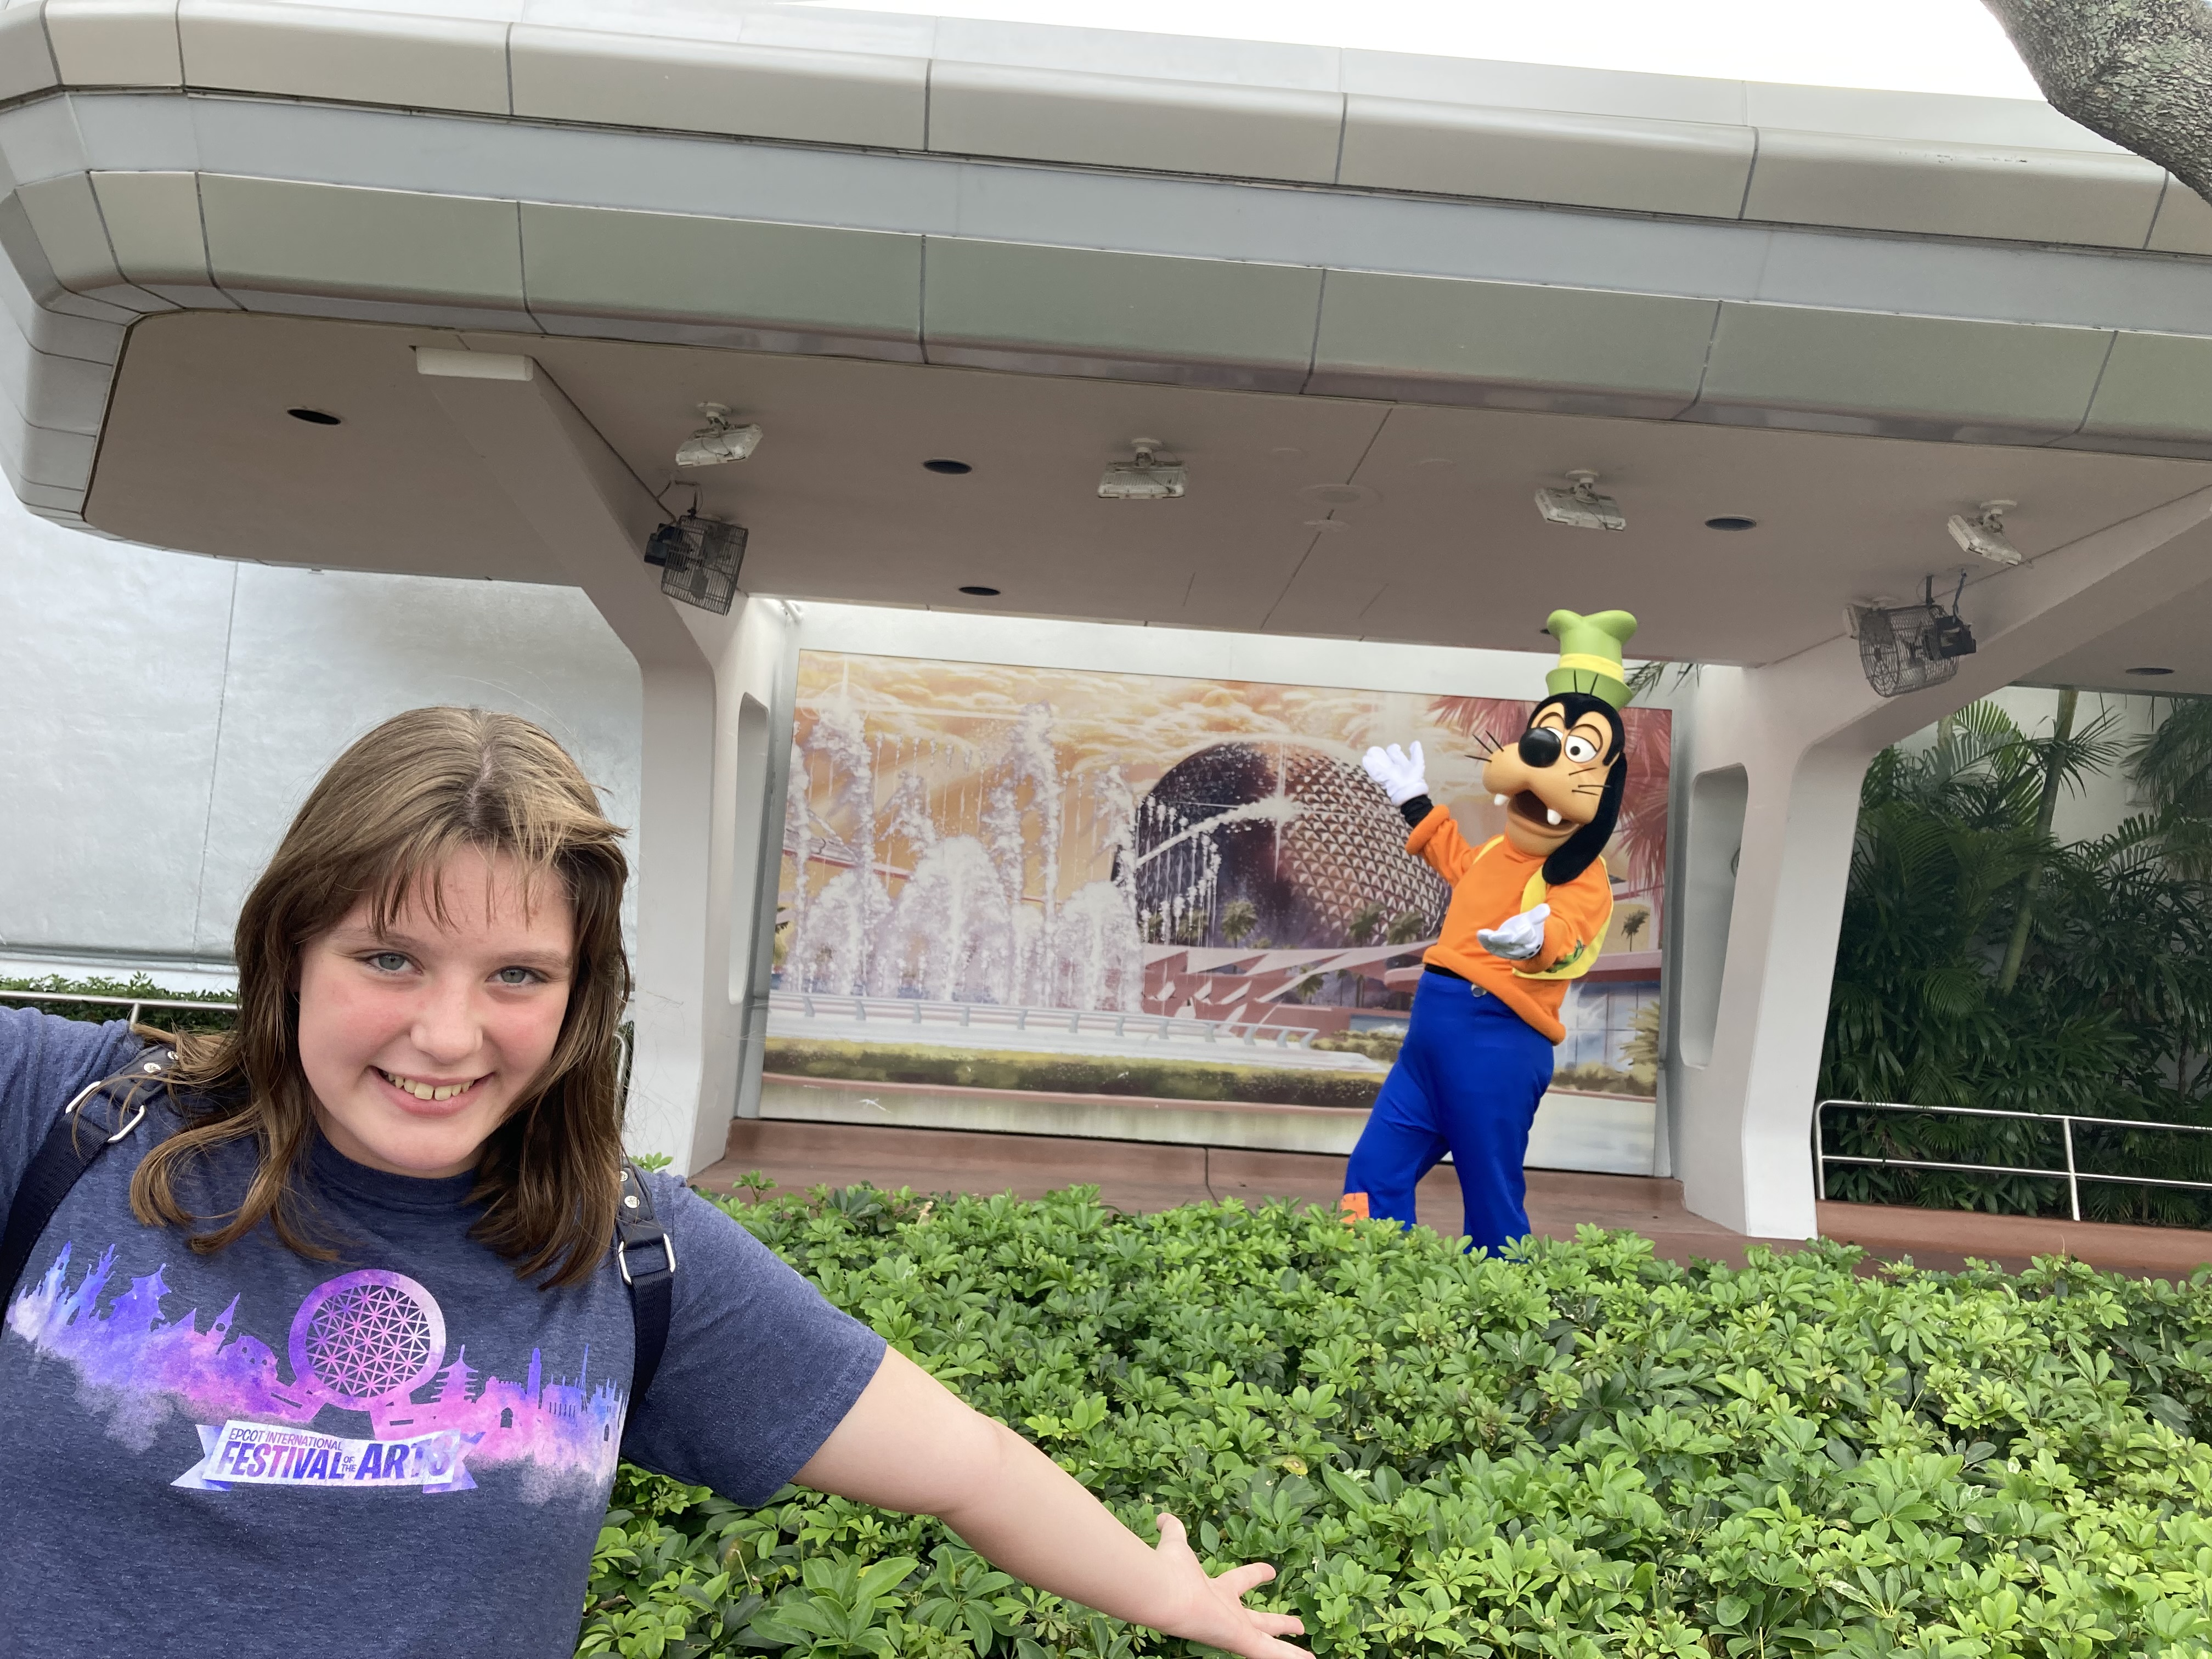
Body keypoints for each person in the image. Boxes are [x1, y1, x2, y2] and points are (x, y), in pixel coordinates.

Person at [0, 707, 1307, 1659]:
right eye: (388, 958)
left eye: (517, 975)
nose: (446, 1035)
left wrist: (1169, 1595)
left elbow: (971, 1466)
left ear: (580, 1000)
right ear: (288, 950)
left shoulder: (626, 1256)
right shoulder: (70, 1120)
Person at [1340, 609, 1636, 1254]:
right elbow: (1457, 861)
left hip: (1496, 1039)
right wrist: (1414, 800)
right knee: (1374, 1171)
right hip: (1430, 1039)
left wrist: (1537, 942)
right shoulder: (1502, 851)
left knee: (1491, 1193)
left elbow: (1571, 932)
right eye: (1546, 735)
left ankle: (1499, 1299)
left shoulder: (1580, 875)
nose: (1543, 754)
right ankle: (1368, 1278)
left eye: (1578, 749)